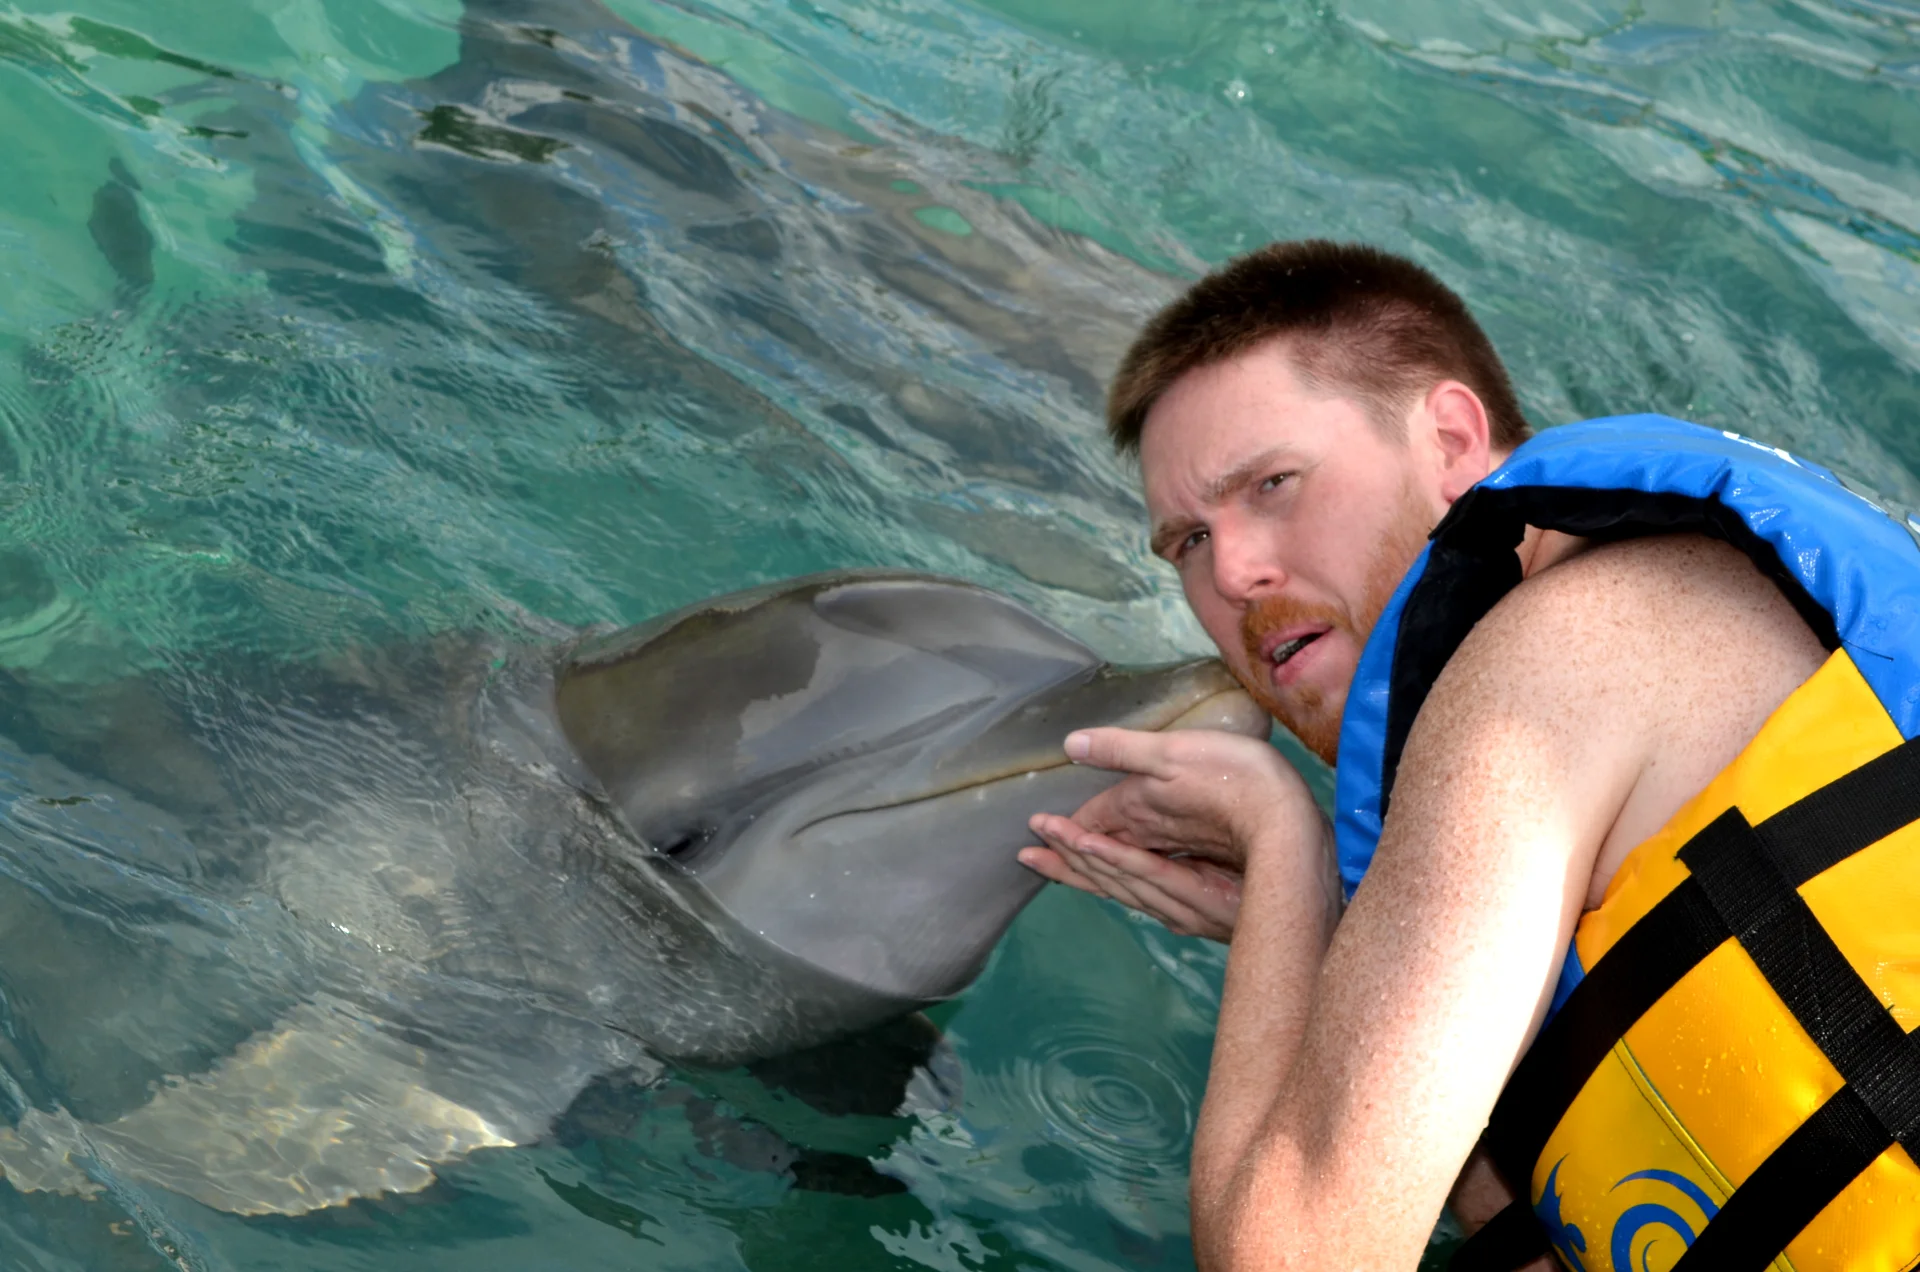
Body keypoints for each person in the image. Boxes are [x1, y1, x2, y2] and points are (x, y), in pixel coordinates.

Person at [1018, 240, 1920, 1271]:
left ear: (1451, 440)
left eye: (1274, 483)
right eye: (1187, 541)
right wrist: (1336, 955)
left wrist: (1281, 852)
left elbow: (1298, 1260)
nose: (1232, 573)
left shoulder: (1566, 655)